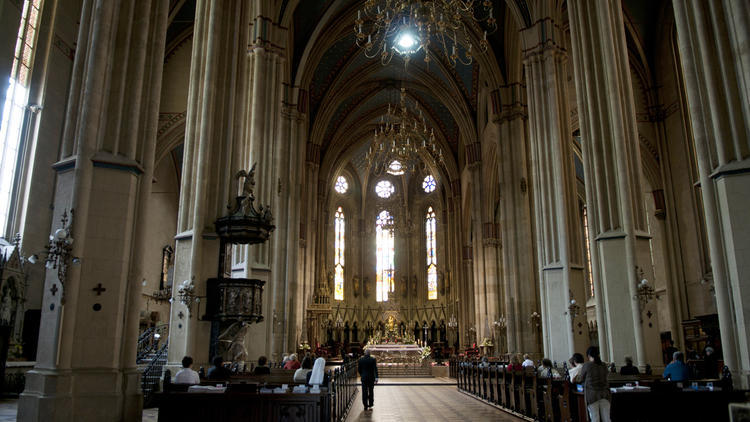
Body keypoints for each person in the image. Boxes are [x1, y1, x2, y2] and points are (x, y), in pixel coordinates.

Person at [580, 346, 611, 422]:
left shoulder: (587, 365)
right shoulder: (604, 365)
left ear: (588, 355)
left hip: (592, 395)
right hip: (605, 394)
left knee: (594, 418)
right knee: (606, 418)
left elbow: (581, 378)